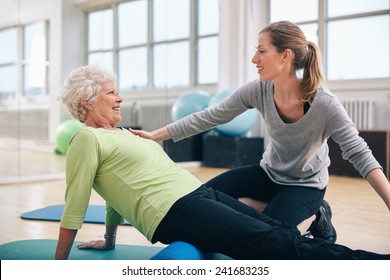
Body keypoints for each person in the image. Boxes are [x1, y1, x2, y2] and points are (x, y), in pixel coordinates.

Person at [54, 64, 390, 260]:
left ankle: (323, 231)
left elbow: (115, 192)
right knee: (275, 244)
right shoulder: (86, 139)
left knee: (279, 233)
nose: (120, 98)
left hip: (200, 196)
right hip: (175, 213)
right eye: (112, 92)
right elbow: (77, 201)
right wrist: (57, 266)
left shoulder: (124, 134)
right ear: (88, 100)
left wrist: (111, 238)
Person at [130, 21, 390, 243]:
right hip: (268, 174)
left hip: (305, 185)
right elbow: (212, 116)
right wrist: (155, 135)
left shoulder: (324, 103)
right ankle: (269, 208)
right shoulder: (259, 90)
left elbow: (360, 154)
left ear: (285, 56)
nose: (254, 59)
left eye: (261, 51)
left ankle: (316, 215)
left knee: (267, 237)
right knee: (201, 198)